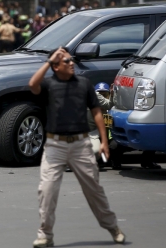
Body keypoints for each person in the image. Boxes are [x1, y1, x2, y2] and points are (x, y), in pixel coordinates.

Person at [28, 47, 125, 247]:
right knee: (47, 190)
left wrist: (105, 142)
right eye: (66, 61)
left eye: (71, 60)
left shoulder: (83, 84)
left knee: (94, 190)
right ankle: (45, 235)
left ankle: (112, 226)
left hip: (81, 145)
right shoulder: (49, 84)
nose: (71, 63)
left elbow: (97, 112)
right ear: (55, 67)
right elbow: (32, 84)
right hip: (55, 145)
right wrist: (49, 61)